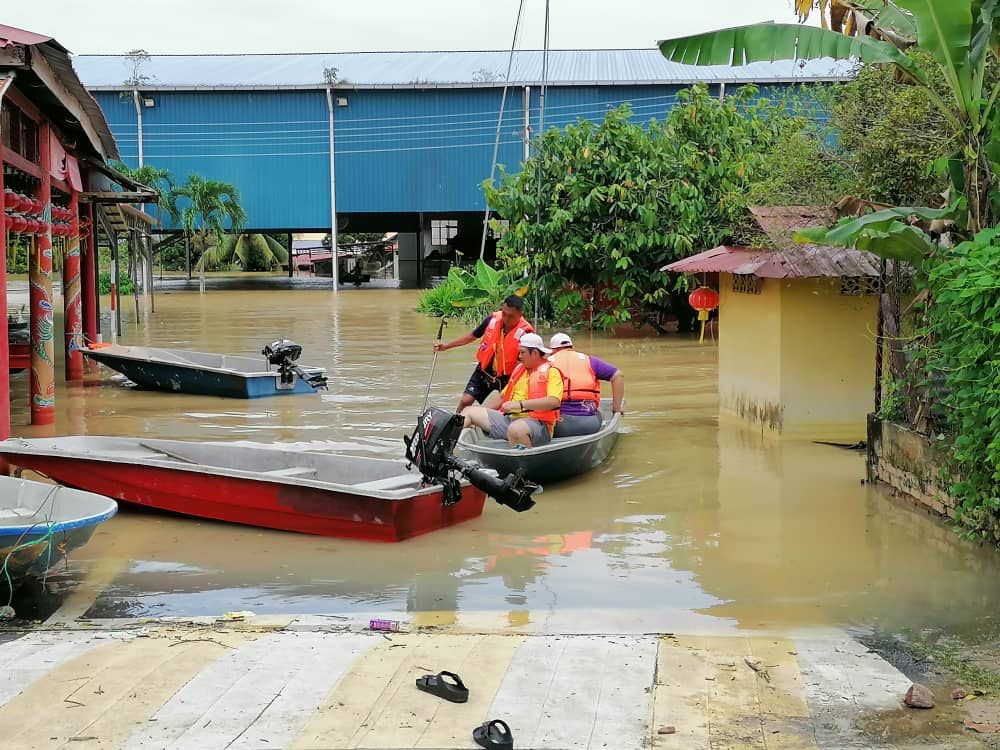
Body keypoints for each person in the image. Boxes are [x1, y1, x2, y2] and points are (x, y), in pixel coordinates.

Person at [460, 333, 563, 448]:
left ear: (534, 353)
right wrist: (481, 417)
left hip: (539, 426)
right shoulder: (519, 370)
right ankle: (446, 449)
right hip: (510, 420)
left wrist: (520, 405)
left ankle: (522, 464)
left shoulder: (552, 372)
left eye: (522, 352)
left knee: (516, 428)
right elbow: (502, 398)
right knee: (468, 412)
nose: (519, 356)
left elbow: (554, 402)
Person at [433, 295, 533, 412]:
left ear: (520, 314)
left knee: (502, 409)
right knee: (465, 400)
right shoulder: (493, 320)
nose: (505, 318)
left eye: (510, 316)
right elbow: (472, 336)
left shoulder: (526, 334)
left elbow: (527, 363)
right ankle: (455, 425)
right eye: (504, 313)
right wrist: (446, 346)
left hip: (508, 376)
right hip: (485, 370)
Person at [548, 333, 624, 437]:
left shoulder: (545, 364)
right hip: (588, 424)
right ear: (572, 348)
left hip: (557, 425)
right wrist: (617, 408)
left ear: (553, 350)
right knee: (599, 409)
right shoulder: (589, 361)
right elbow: (618, 375)